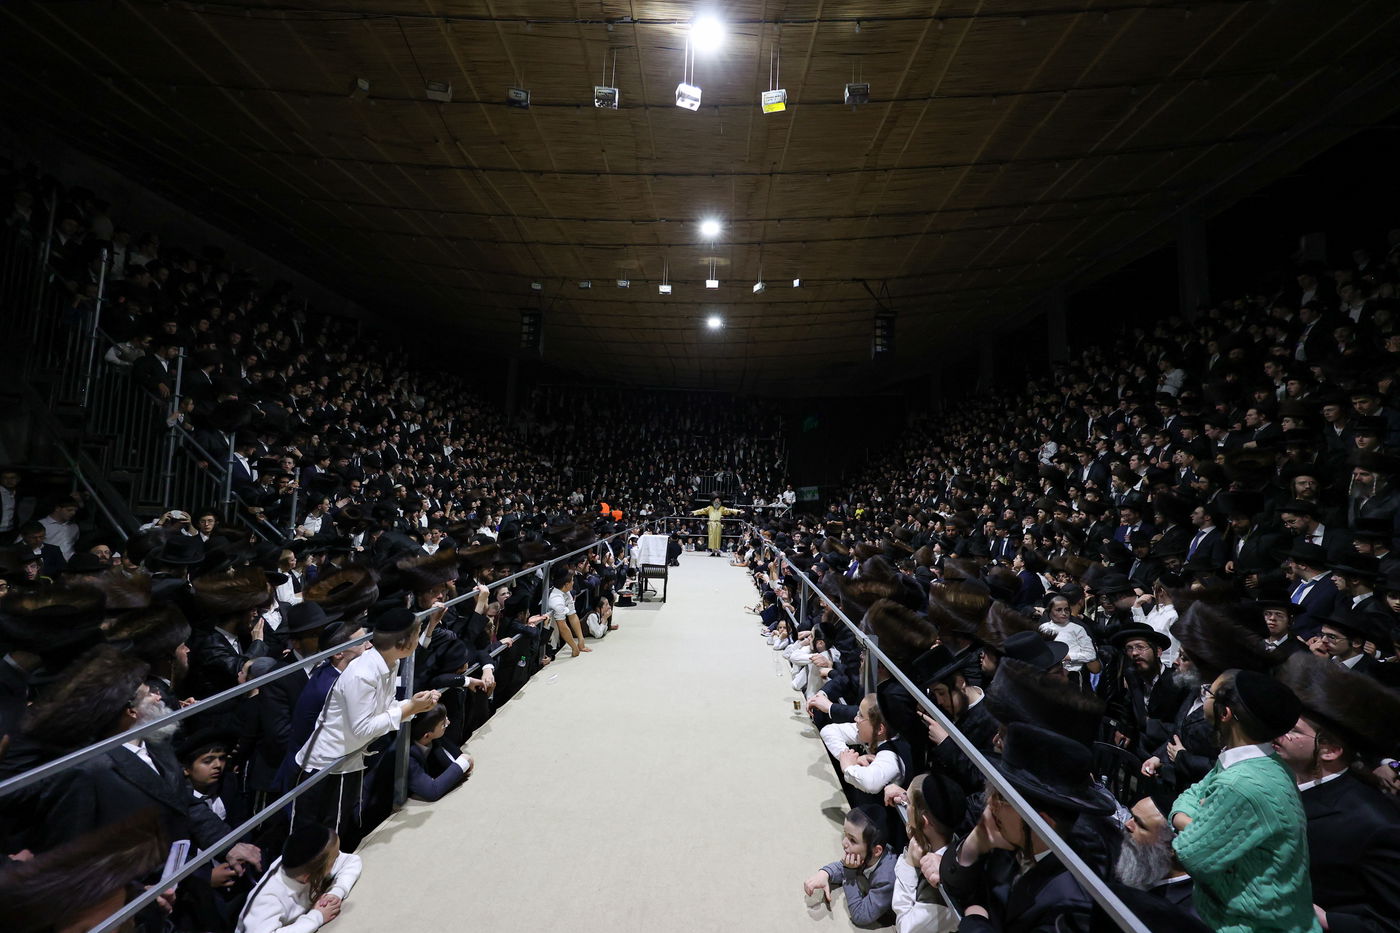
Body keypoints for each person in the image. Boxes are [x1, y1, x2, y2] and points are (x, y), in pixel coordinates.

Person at [1168, 669, 1319, 933]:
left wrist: (1194, 822)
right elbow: (1191, 795)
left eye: (1208, 693)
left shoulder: (1241, 783)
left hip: (1255, 926)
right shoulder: (1251, 760)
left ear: (1225, 713)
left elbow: (1190, 854)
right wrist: (1203, 821)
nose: (1205, 697)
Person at [293, 608, 439, 850]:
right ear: (404, 643)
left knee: (342, 831)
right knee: (319, 842)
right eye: (417, 634)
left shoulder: (389, 662)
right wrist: (409, 708)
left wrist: (414, 706)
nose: (419, 638)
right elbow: (362, 728)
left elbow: (384, 708)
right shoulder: (362, 673)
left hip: (349, 758)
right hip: (326, 766)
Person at [235, 825, 362, 933]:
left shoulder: (309, 865)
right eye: (334, 860)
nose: (339, 858)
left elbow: (351, 861)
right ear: (309, 877)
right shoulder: (267, 900)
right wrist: (316, 917)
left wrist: (335, 892)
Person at [803, 804, 898, 928]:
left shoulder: (886, 879)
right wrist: (825, 874)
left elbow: (860, 915)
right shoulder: (867, 853)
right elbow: (844, 865)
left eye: (852, 840)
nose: (844, 843)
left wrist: (849, 874)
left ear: (876, 851)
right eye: (845, 834)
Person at [545, 564, 589, 657]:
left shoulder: (566, 592)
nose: (573, 582)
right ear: (566, 584)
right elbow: (563, 627)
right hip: (548, 635)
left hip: (556, 632)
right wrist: (574, 647)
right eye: (572, 580)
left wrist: (581, 639)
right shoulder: (556, 601)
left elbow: (572, 616)